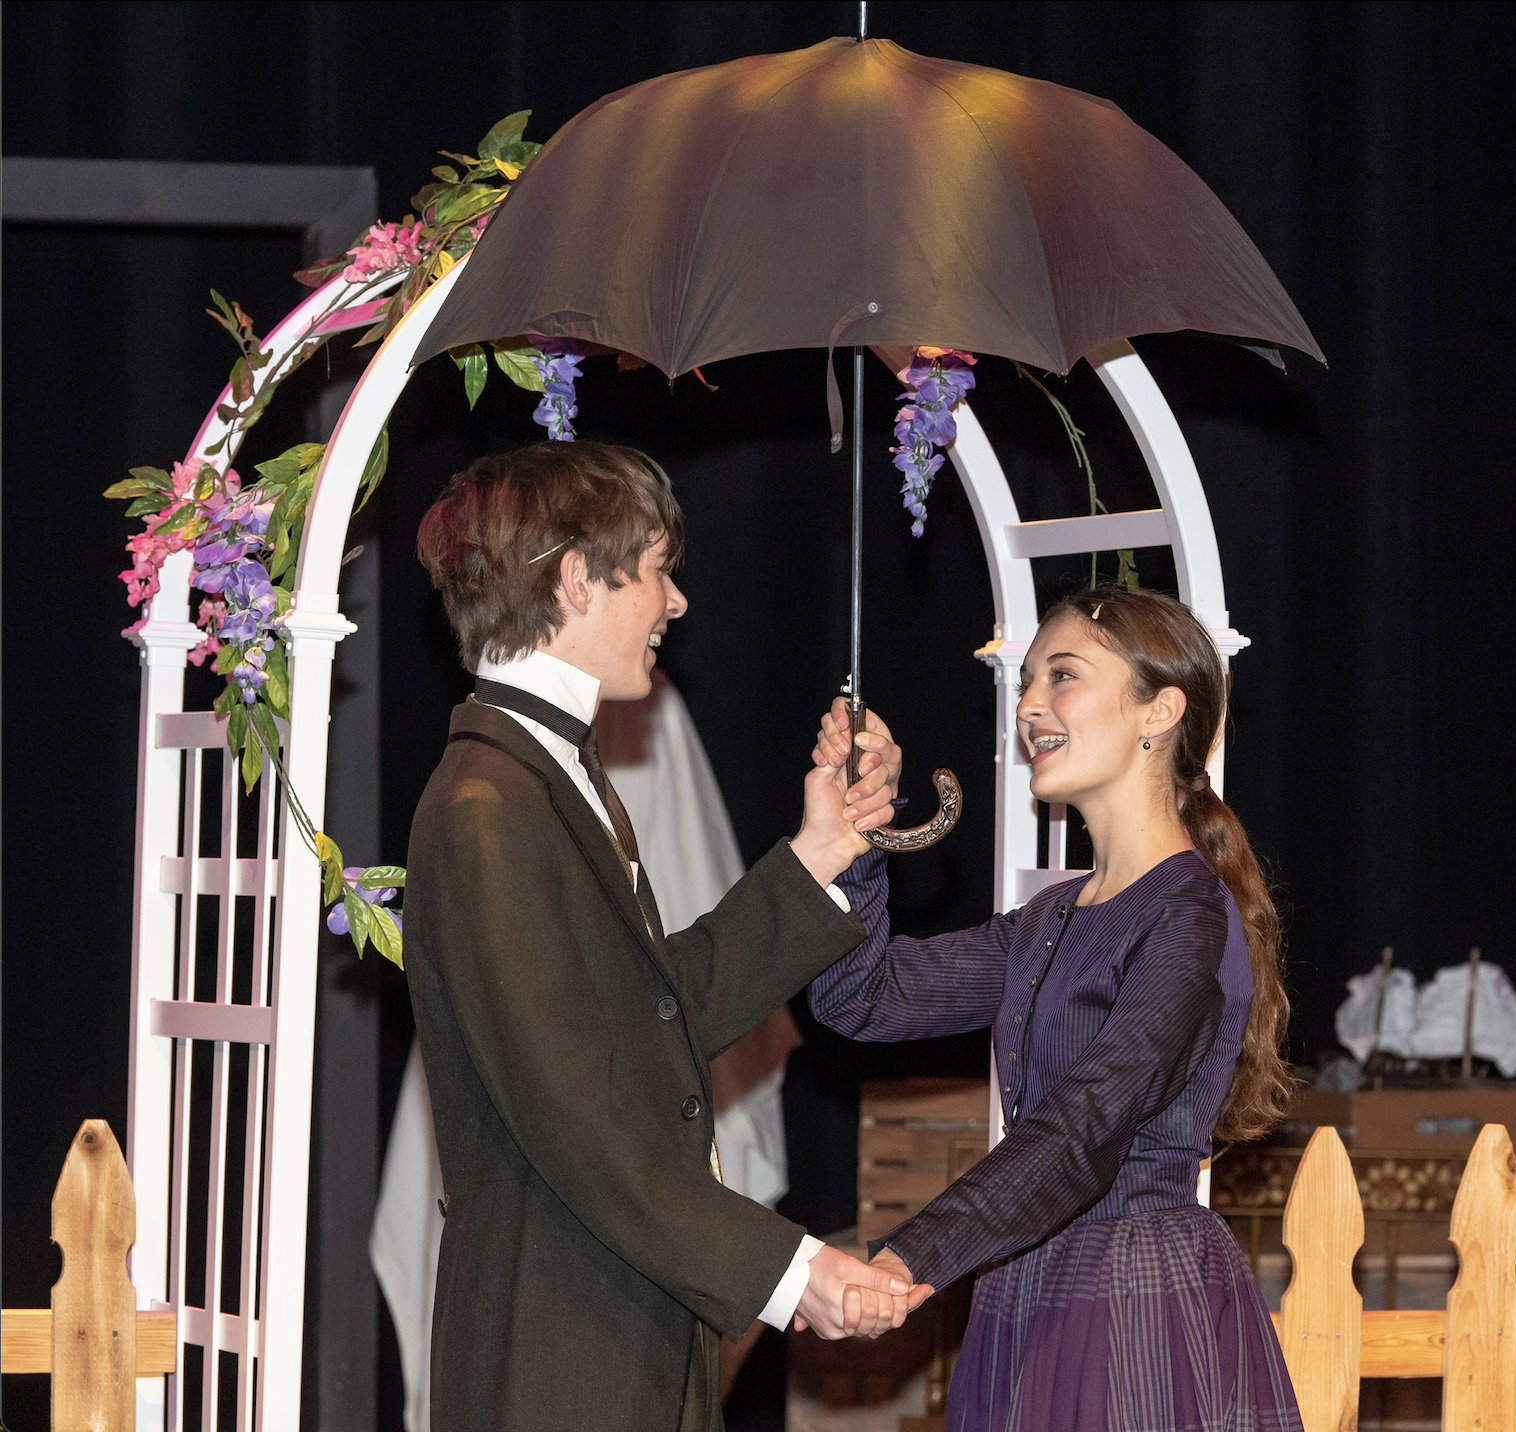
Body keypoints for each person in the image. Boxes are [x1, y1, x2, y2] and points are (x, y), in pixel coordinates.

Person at [406, 440, 924, 1432]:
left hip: (614, 1332)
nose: (676, 603)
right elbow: (579, 1113)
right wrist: (792, 1270)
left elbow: (649, 1014)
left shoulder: (547, 778)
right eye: (655, 570)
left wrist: (820, 849)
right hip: (557, 1361)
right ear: (576, 578)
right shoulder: (487, 809)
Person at [810, 585, 1303, 1432]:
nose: (1029, 705)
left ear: (1160, 711)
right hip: (1023, 1292)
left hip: (1135, 1305)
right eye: (1027, 679)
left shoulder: (1187, 918)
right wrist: (858, 840)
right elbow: (860, 997)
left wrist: (908, 1260)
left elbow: (1086, 1126)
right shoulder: (1049, 919)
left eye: (1062, 675)